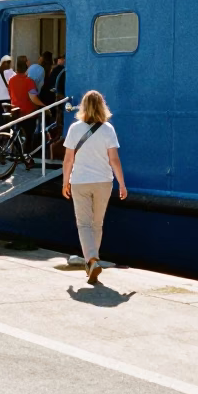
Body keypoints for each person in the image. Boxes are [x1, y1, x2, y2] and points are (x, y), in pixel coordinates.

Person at [61, 90, 127, 283]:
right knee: (97, 224)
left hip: (80, 181)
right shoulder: (108, 130)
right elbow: (114, 159)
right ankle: (93, 262)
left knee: (84, 224)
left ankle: (91, 259)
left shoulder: (74, 128)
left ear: (83, 106)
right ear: (101, 106)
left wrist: (65, 182)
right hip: (103, 182)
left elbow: (68, 159)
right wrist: (122, 184)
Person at [6, 56, 44, 152]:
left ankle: (17, 154)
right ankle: (27, 158)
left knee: (16, 135)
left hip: (15, 112)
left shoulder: (11, 80)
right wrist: (44, 106)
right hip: (28, 113)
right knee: (28, 137)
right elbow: (33, 98)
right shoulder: (29, 81)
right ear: (27, 65)